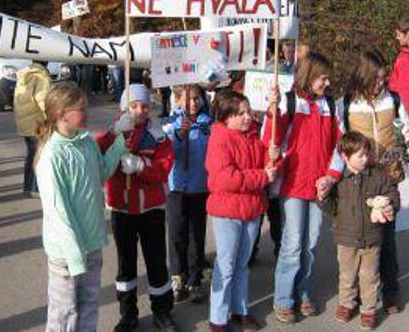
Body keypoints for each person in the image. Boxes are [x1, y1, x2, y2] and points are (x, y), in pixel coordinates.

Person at [35, 83, 128, 332]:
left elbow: (102, 173)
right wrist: (75, 256)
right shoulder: (52, 156)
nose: (87, 113)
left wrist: (119, 144)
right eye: (81, 109)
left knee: (89, 307)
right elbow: (58, 213)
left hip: (91, 244)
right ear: (61, 114)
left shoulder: (87, 142)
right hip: (66, 254)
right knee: (64, 313)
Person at [333, 49, 409, 314]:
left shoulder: (394, 99)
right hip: (358, 179)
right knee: (359, 240)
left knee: (386, 238)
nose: (381, 83)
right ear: (363, 76)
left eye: (384, 78)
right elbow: (339, 143)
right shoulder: (346, 103)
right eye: (376, 78)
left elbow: (406, 131)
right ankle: (355, 296)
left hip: (387, 176)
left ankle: (390, 292)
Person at [264, 53, 343, 324]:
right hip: (293, 185)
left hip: (319, 186)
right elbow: (271, 139)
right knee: (292, 244)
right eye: (323, 78)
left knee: (310, 244)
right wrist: (272, 110)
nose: (327, 83)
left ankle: (303, 290)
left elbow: (340, 146)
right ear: (309, 76)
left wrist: (331, 176)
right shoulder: (288, 101)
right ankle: (283, 298)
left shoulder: (329, 105)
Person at [96, 84, 178, 332]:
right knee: (126, 265)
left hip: (151, 209)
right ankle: (127, 313)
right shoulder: (113, 132)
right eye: (133, 106)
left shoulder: (158, 135)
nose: (140, 111)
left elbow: (164, 167)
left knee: (156, 263)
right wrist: (115, 136)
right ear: (125, 108)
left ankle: (162, 312)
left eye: (144, 106)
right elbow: (96, 159)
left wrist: (141, 165)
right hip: (122, 210)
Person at [205, 90, 277, 332]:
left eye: (248, 111)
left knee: (242, 264)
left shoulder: (254, 135)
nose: (248, 116)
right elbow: (226, 178)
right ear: (227, 117)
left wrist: (274, 157)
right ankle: (218, 318)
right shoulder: (219, 139)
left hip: (251, 208)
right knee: (226, 265)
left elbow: (268, 163)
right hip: (227, 211)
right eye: (241, 113)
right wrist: (262, 176)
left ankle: (240, 308)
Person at [317, 131, 399, 330]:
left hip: (372, 236)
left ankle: (368, 309)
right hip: (346, 238)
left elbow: (391, 192)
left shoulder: (377, 173)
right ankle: (347, 303)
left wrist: (391, 205)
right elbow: (331, 208)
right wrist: (322, 196)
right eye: (360, 155)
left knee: (370, 276)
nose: (365, 159)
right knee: (347, 275)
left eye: (366, 154)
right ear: (345, 157)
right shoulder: (338, 180)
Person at [162, 85, 212, 304]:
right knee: (176, 234)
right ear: (178, 99)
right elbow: (166, 154)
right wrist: (179, 135)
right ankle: (177, 276)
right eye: (189, 98)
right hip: (176, 188)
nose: (194, 102)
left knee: (196, 235)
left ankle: (194, 279)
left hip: (200, 187)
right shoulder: (169, 124)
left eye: (197, 98)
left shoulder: (208, 125)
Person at [14, 60, 52, 197]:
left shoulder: (25, 74)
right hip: (37, 123)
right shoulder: (41, 76)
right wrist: (52, 116)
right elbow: (43, 101)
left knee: (31, 154)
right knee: (38, 156)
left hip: (25, 122)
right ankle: (34, 187)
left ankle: (28, 186)